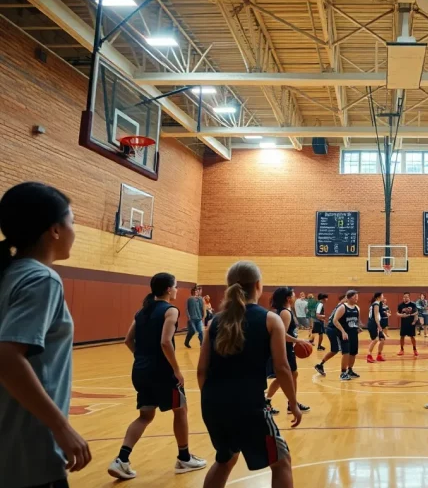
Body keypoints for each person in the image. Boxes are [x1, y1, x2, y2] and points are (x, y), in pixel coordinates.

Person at [0, 182, 91, 488]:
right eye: (72, 223)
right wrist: (61, 426)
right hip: (29, 452)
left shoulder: (8, 274)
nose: (74, 232)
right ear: (54, 230)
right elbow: (7, 357)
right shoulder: (42, 278)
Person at [197, 261, 300, 488]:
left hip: (212, 404)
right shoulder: (270, 319)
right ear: (258, 285)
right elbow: (282, 368)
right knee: (281, 462)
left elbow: (201, 370)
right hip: (248, 405)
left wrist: (214, 399)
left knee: (225, 459)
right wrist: (293, 403)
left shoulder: (214, 321)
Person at [108, 273, 207, 479]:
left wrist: (143, 358)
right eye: (176, 287)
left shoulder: (142, 311)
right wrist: (177, 370)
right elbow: (165, 342)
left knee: (145, 415)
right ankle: (184, 457)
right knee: (180, 410)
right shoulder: (170, 310)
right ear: (169, 289)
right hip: (162, 372)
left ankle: (122, 459)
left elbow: (128, 340)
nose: (177, 290)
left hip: (140, 370)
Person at [264, 287, 311, 415]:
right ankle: (269, 401)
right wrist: (298, 341)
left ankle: (291, 403)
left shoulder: (286, 311)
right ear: (288, 298)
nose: (295, 296)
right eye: (293, 295)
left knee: (292, 375)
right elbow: (282, 335)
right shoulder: (285, 313)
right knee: (283, 377)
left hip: (287, 348)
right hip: (284, 349)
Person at [331, 290, 363, 381]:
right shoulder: (342, 307)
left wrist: (358, 326)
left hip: (353, 333)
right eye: (355, 296)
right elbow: (335, 320)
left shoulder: (357, 308)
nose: (357, 298)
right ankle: (342, 373)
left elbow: (357, 320)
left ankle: (350, 370)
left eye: (357, 296)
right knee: (346, 353)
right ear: (349, 297)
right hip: (345, 334)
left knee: (353, 352)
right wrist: (343, 331)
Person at [313, 295, 345, 377]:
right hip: (332, 329)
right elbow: (317, 315)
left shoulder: (341, 306)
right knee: (339, 350)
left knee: (338, 350)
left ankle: (320, 364)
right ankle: (345, 371)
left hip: (333, 329)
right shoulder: (341, 306)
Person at [397, 292, 420, 357]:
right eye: (404, 297)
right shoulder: (400, 305)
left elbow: (416, 312)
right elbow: (397, 313)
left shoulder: (413, 304)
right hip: (403, 323)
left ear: (409, 297)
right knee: (402, 336)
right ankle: (401, 349)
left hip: (411, 323)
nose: (405, 298)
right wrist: (402, 315)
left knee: (412, 337)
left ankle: (415, 350)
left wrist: (413, 320)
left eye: (406, 297)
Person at [366, 292, 386, 363]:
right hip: (373, 323)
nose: (383, 297)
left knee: (382, 339)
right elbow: (376, 316)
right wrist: (379, 325)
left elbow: (380, 314)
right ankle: (369, 356)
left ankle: (379, 356)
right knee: (375, 340)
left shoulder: (378, 303)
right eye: (382, 295)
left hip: (376, 323)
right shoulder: (376, 304)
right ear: (378, 297)